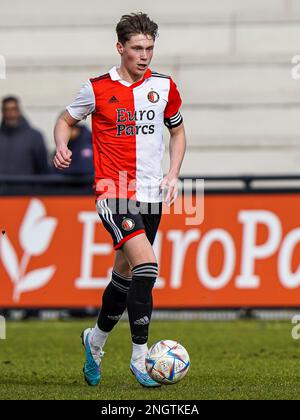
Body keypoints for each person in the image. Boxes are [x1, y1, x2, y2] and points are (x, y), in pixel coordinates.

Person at [53, 12, 186, 388]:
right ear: (120, 48)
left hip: (150, 196)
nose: (144, 56)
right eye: (137, 49)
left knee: (125, 277)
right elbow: (65, 119)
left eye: (149, 48)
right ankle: (140, 359)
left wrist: (173, 172)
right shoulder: (97, 88)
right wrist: (61, 143)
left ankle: (94, 341)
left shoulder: (164, 86)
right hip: (114, 192)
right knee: (147, 265)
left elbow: (177, 133)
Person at [0, 96, 49, 175]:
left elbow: (43, 168)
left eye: (14, 109)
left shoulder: (34, 137)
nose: (10, 114)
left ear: (19, 111)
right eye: (6, 110)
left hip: (26, 186)